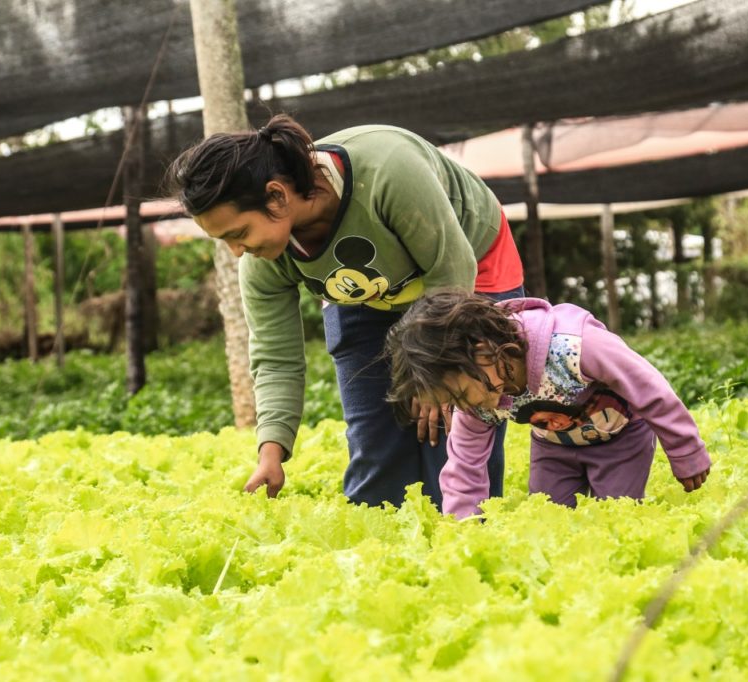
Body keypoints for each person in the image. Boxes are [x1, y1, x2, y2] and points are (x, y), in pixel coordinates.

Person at [165, 114, 524, 508]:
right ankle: (382, 552)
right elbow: (275, 358)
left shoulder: (388, 169)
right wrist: (271, 452)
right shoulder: (263, 260)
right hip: (365, 291)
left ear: (277, 196)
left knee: (454, 430)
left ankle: (470, 535)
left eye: (239, 233)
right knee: (376, 442)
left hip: (466, 268)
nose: (235, 251)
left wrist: (436, 369)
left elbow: (450, 268)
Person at [384, 290, 711, 519]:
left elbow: (648, 387)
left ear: (482, 351)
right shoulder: (478, 396)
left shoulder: (574, 345)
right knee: (549, 521)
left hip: (620, 442)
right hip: (553, 449)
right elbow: (465, 464)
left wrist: (685, 451)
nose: (461, 408)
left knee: (617, 517)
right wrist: (462, 528)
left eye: (458, 396)